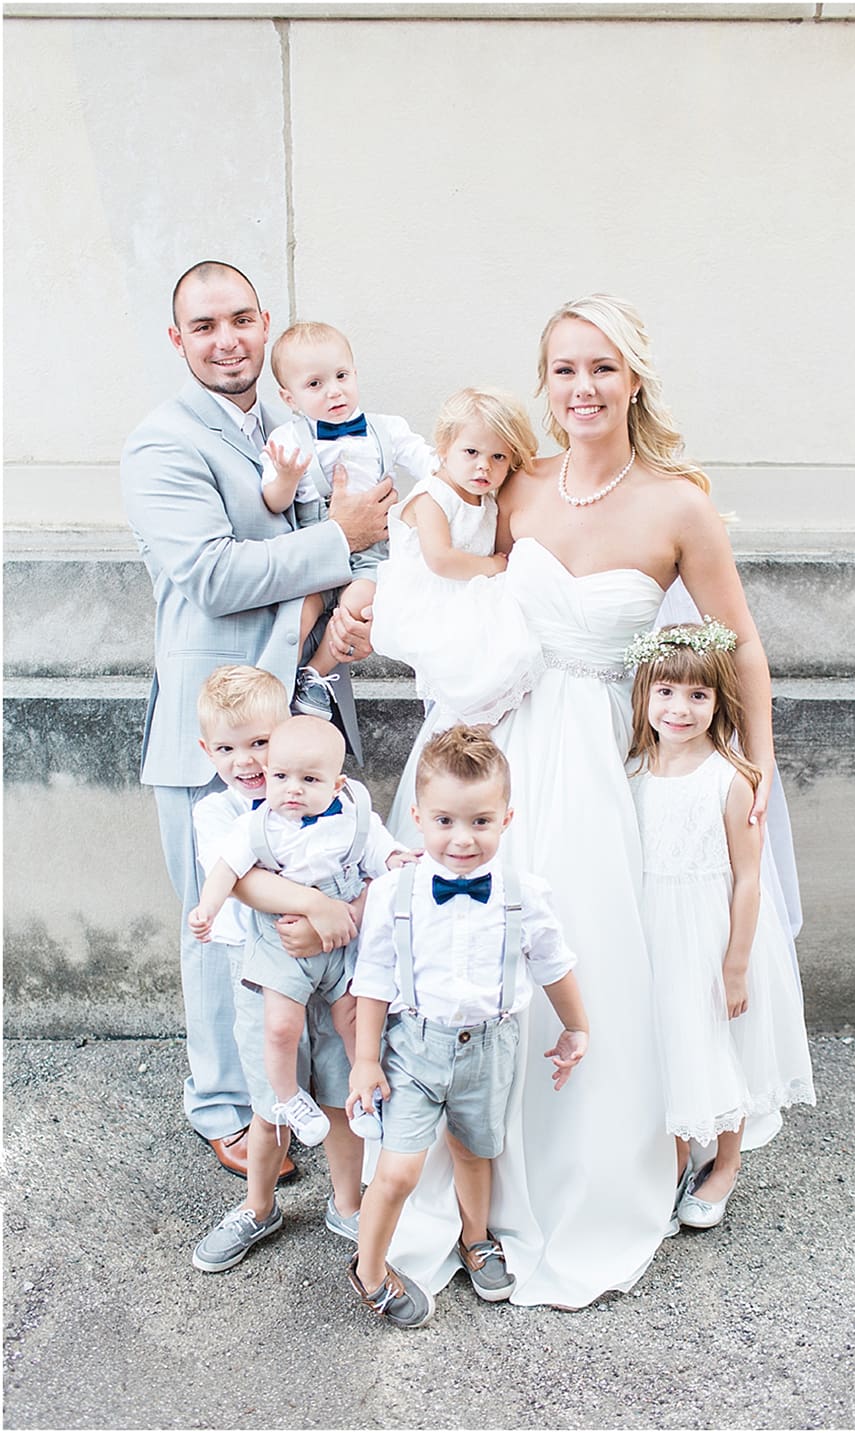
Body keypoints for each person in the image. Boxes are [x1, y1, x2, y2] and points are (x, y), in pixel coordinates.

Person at [381, 293, 784, 1309]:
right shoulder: (514, 486)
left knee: (598, 947)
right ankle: (472, 1176)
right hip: (504, 748)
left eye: (602, 367)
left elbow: (737, 642)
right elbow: (436, 571)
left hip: (609, 756)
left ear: (634, 379)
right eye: (564, 369)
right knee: (482, 939)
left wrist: (759, 762)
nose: (582, 387)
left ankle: (597, 1164)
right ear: (545, 383)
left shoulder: (678, 505)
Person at [121, 260, 396, 1181]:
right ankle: (222, 1105)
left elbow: (358, 543)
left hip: (309, 713)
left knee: (313, 905)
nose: (227, 339)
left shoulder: (302, 418)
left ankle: (301, 1100)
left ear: (264, 321)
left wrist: (351, 605)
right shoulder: (161, 445)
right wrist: (339, 539)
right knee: (220, 925)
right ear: (178, 339)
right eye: (204, 325)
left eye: (241, 318)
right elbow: (214, 576)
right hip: (219, 732)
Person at [346, 727, 590, 1328]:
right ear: (417, 818)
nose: (462, 838)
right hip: (413, 1046)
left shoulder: (524, 893)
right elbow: (373, 978)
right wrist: (365, 1059)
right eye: (445, 821)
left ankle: (475, 1237)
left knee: (475, 1150)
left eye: (480, 822)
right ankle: (370, 1270)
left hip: (490, 1046)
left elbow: (553, 963)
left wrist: (576, 1027)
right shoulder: (393, 892)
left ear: (507, 818)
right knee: (399, 1168)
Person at [626, 621, 816, 1230]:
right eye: (665, 692)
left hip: (712, 934)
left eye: (697, 695)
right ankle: (678, 1156)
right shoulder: (633, 771)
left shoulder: (731, 780)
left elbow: (749, 878)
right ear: (644, 694)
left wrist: (735, 964)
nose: (679, 709)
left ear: (719, 700)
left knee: (719, 1044)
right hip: (655, 931)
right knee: (671, 1044)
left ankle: (725, 1164)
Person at [188, 715, 410, 1145]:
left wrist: (396, 860)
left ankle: (366, 1094)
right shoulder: (256, 826)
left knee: (353, 1019)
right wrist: (207, 909)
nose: (293, 789)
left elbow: (382, 854)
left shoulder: (353, 818)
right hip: (281, 937)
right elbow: (226, 870)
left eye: (309, 780)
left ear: (337, 785)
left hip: (342, 936)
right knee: (280, 1027)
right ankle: (288, 1098)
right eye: (281, 777)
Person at [261, 321, 438, 717]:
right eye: (315, 384)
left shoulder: (386, 429)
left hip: (371, 552)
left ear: (355, 373)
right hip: (314, 552)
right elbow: (273, 501)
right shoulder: (287, 441)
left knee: (360, 604)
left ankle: (314, 676)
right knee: (300, 612)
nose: (334, 391)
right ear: (289, 397)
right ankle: (271, 681)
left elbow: (427, 462)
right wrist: (286, 478)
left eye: (342, 376)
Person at [371, 386, 546, 728]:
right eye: (471, 452)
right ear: (443, 447)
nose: (484, 466)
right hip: (432, 599)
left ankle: (484, 725)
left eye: (498, 457)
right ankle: (451, 727)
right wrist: (494, 565)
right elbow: (441, 559)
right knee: (457, 676)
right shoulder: (433, 496)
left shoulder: (487, 499)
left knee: (509, 653)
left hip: (468, 594)